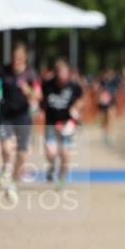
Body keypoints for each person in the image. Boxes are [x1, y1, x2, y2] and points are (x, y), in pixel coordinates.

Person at [0, 43, 42, 203]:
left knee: (23, 154)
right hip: (6, 116)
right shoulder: (3, 71)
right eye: (15, 57)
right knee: (7, 148)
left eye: (20, 57)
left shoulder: (30, 74)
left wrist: (27, 90)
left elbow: (38, 95)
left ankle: (13, 181)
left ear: (25, 58)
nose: (17, 60)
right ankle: (4, 172)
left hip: (23, 117)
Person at [41, 58, 84, 187]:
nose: (62, 79)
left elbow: (81, 99)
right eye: (60, 75)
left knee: (65, 153)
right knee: (51, 153)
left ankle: (61, 179)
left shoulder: (74, 86)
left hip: (67, 124)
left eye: (65, 75)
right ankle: (51, 166)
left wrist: (76, 108)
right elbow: (40, 99)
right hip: (51, 123)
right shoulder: (47, 85)